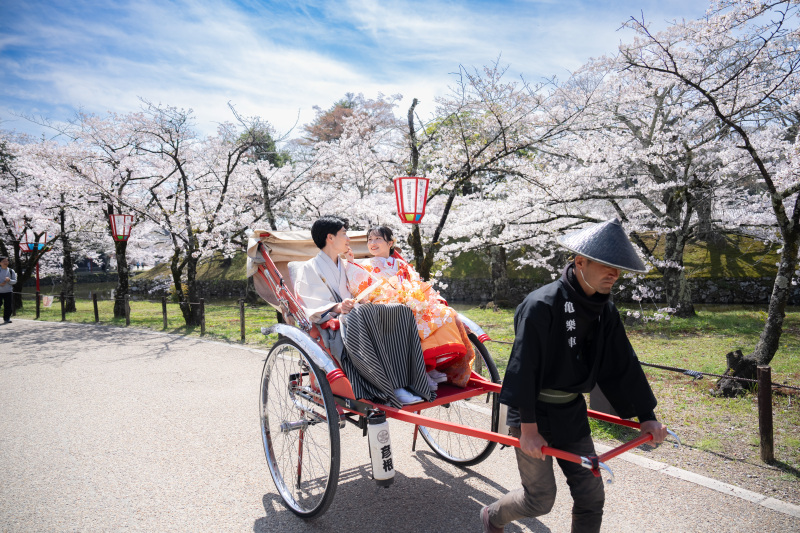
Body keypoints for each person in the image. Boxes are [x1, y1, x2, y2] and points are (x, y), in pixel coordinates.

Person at [482, 218, 668, 533]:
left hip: (570, 411)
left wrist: (646, 416)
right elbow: (523, 367)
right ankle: (493, 515)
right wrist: (528, 430)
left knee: (591, 494)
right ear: (579, 261)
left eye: (618, 268)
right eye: (607, 266)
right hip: (531, 412)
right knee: (540, 499)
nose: (615, 274)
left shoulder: (604, 310)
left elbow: (622, 363)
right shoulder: (541, 305)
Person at [293, 215, 433, 408]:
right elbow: (312, 303)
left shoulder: (345, 264)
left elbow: (364, 288)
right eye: (344, 234)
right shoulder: (309, 268)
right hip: (335, 323)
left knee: (400, 310)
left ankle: (413, 379)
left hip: (358, 312)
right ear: (330, 238)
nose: (348, 239)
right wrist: (338, 306)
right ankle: (392, 386)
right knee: (365, 314)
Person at [346, 225, 475, 388]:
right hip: (384, 305)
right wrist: (350, 263)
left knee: (445, 312)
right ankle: (420, 371)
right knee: (407, 316)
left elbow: (416, 283)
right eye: (370, 239)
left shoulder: (400, 264)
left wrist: (415, 296)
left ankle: (431, 364)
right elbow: (361, 287)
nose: (373, 242)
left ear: (390, 243)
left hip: (410, 301)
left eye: (378, 238)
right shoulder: (365, 265)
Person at [0, 256, 17, 324]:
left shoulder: (11, 271)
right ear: (0, 263)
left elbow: (15, 281)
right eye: (3, 261)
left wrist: (9, 280)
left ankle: (7, 318)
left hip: (8, 291)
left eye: (6, 261)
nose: (5, 262)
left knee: (8, 306)